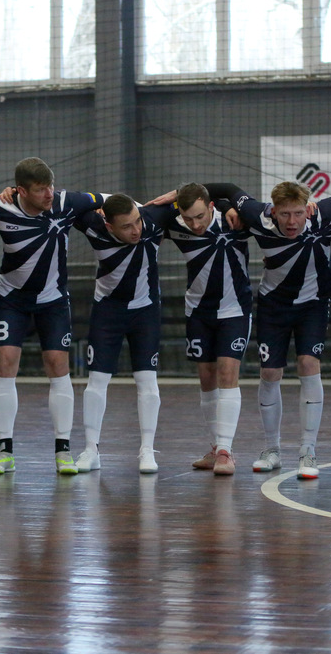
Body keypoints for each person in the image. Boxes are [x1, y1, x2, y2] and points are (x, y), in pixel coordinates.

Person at [0, 157, 108, 475]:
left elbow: (109, 199)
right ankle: (5, 452)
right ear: (20, 190)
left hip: (53, 301)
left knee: (58, 366)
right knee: (5, 363)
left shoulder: (64, 202)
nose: (49, 194)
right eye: (40, 189)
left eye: (50, 186)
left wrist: (136, 210)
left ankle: (63, 451)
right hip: (12, 301)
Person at [209, 181, 331, 478]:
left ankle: (308, 451)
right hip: (273, 306)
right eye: (285, 214)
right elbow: (227, 188)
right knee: (270, 372)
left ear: (308, 209)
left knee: (308, 364)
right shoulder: (258, 216)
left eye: (298, 213)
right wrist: (227, 206)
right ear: (273, 211)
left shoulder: (325, 213)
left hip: (313, 305)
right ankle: (271, 449)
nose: (292, 221)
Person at [145, 183, 252, 476]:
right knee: (206, 378)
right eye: (188, 218)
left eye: (200, 216)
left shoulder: (236, 220)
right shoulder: (175, 224)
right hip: (198, 312)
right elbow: (139, 216)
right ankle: (216, 447)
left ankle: (226, 451)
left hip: (235, 310)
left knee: (228, 372)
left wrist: (229, 204)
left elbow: (248, 201)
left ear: (211, 206)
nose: (195, 224)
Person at [71, 193, 163, 474]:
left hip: (145, 312)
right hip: (107, 312)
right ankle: (91, 450)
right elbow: (62, 201)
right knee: (96, 381)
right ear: (108, 225)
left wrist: (226, 207)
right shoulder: (93, 225)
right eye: (126, 226)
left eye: (137, 222)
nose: (136, 230)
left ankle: (147, 450)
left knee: (147, 380)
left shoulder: (153, 219)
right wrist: (13, 193)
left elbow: (197, 198)